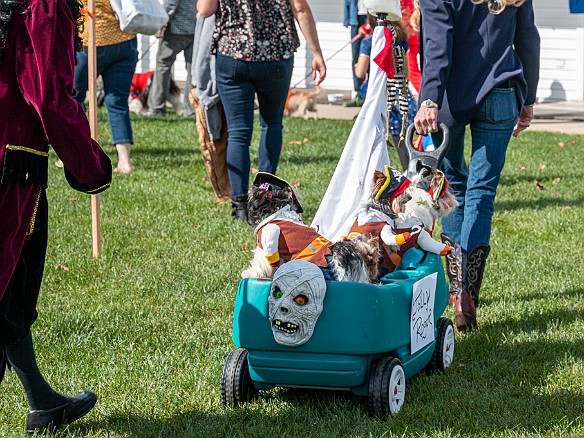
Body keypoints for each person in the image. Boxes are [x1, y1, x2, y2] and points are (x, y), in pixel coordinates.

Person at [0, 0, 112, 433]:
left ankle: (42, 403)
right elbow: (47, 96)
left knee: (10, 298)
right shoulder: (44, 3)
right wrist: (90, 166)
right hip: (12, 171)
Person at [412, 0, 540, 331]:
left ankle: (457, 292)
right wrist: (528, 100)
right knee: (481, 192)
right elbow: (528, 37)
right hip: (502, 92)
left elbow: (437, 43)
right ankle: (467, 293)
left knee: (452, 184)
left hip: (450, 98)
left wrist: (429, 98)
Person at [197, 0, 327, 222]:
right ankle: (264, 195)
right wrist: (316, 53)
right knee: (272, 124)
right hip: (276, 55)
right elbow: (300, 8)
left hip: (233, 53)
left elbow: (204, 10)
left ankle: (239, 205)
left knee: (238, 133)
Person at [73, 0, 138, 173]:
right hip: (126, 40)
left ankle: (77, 155)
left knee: (74, 98)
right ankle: (124, 162)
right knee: (118, 102)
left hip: (92, 40)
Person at [190, 12, 231, 203]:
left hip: (215, 79)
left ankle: (228, 193)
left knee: (219, 139)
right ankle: (231, 193)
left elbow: (206, 10)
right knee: (226, 137)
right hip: (218, 79)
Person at [147, 0, 196, 117]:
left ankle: (156, 108)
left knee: (163, 66)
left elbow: (170, 4)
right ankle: (191, 110)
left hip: (175, 29)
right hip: (195, 28)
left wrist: (161, 25)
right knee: (192, 71)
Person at [343, 0, 368, 107]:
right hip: (356, 19)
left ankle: (369, 93)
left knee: (370, 57)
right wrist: (347, 19)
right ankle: (359, 93)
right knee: (356, 58)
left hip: (370, 18)